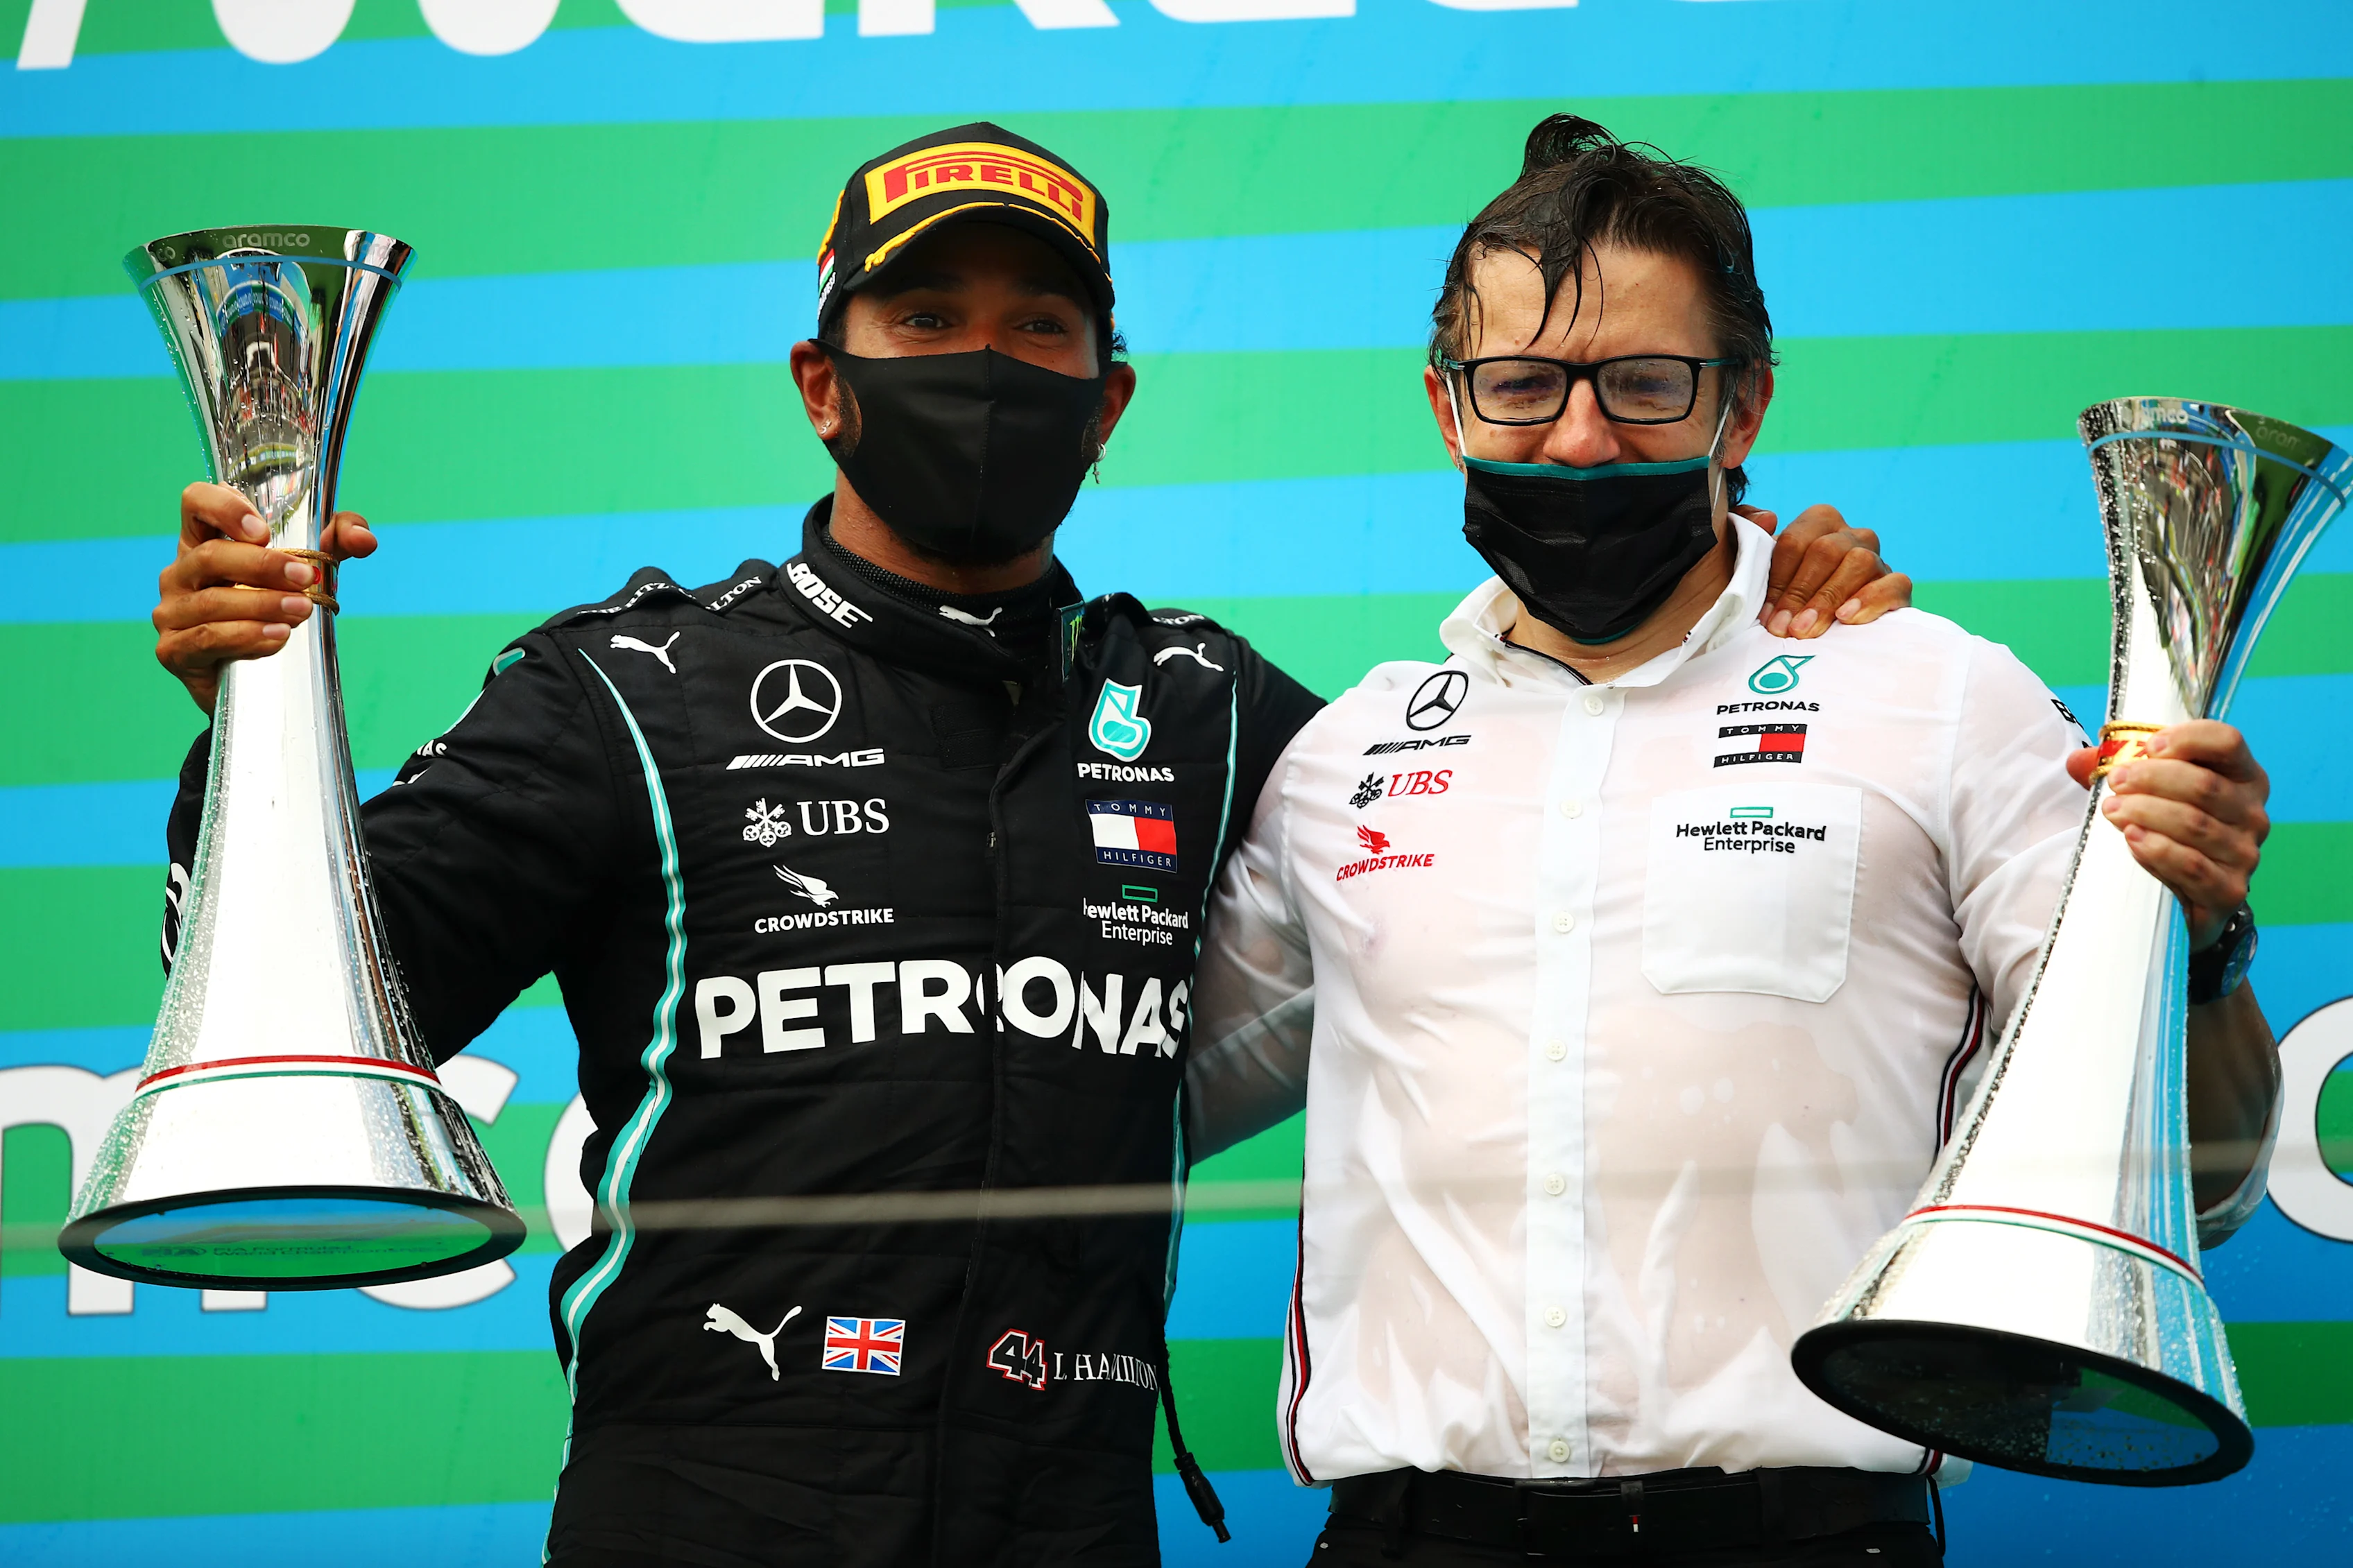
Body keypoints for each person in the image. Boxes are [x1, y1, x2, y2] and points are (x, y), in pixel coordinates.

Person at [148, 125, 1906, 1566]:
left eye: (1040, 332)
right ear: (822, 381)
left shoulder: (1218, 712)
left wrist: (1755, 600)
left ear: (1108, 398)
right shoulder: (634, 686)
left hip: (1064, 1513)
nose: (988, 365)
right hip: (704, 1503)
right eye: (928, 326)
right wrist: (254, 719)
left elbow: (1555, 796)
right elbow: (322, 1007)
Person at [1186, 116, 2282, 1568]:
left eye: (1644, 383)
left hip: (1806, 1535)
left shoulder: (1939, 697)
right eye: (1520, 385)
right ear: (1448, 405)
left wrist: (2197, 946)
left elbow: (2190, 1179)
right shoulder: (1342, 761)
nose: (1578, 436)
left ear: (1742, 405)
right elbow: (1136, 1090)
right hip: (1406, 1537)